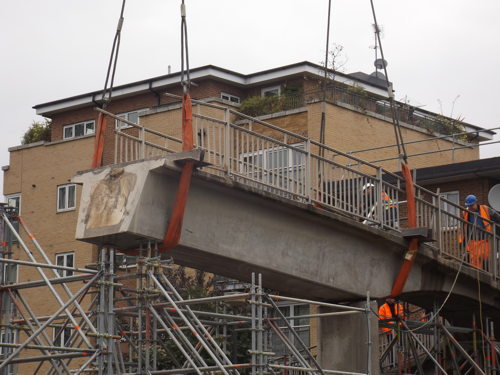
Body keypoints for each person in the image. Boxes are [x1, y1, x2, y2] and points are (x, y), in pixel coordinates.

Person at [461, 194, 500, 269]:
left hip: (485, 240)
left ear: (476, 203)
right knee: (474, 263)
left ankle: (487, 274)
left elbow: (497, 217)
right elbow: (464, 227)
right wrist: (463, 240)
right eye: (469, 206)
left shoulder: (485, 209)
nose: (470, 207)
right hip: (473, 241)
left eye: (471, 205)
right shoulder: (465, 212)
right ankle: (476, 278)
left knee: (486, 260)